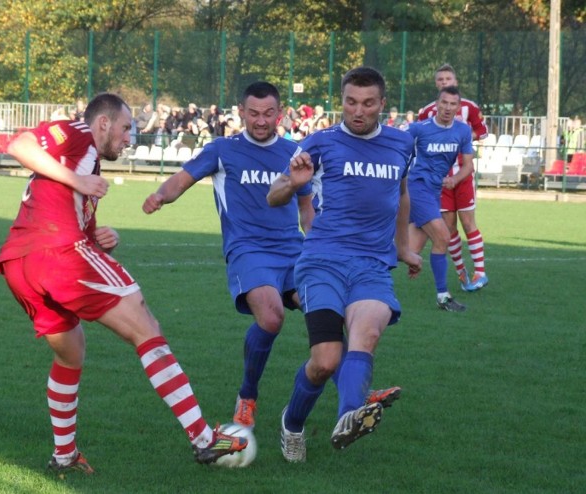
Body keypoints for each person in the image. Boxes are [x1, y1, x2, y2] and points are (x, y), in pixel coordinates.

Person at [0, 92, 246, 475]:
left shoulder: (87, 167)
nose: (130, 138)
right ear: (103, 123)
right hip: (57, 252)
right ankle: (203, 438)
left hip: (21, 265)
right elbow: (19, 143)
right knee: (145, 325)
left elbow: (69, 208)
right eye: (126, 128)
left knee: (70, 352)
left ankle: (64, 455)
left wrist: (98, 236)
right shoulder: (77, 133)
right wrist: (76, 181)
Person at [267, 66, 421, 462]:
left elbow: (401, 197)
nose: (358, 111)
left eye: (368, 103)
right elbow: (274, 196)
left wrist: (403, 248)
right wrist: (293, 184)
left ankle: (349, 416)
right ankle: (292, 423)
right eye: (351, 102)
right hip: (322, 263)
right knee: (325, 361)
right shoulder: (320, 142)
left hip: (372, 265)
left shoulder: (402, 144)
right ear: (342, 100)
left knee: (365, 336)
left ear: (382, 104)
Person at [142, 82, 315, 431]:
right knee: (271, 316)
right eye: (254, 113)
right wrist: (160, 195)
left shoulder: (294, 152)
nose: (261, 120)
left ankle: (348, 404)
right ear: (241, 112)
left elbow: (306, 207)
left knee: (326, 316)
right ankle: (247, 395)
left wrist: (317, 244)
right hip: (248, 249)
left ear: (279, 114)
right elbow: (182, 179)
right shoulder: (222, 149)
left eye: (269, 113)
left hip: (293, 250)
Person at [418, 63, 489, 292]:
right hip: (439, 180)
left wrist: (464, 138)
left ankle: (480, 271)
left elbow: (483, 132)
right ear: (436, 84)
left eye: (448, 78)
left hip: (463, 174)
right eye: (440, 79)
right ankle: (461, 272)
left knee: (468, 222)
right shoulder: (426, 112)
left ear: (455, 82)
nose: (444, 82)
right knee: (448, 228)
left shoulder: (469, 107)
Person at [408, 86, 474, 312]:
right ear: (436, 104)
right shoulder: (419, 129)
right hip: (417, 188)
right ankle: (443, 296)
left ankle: (362, 276)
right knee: (443, 237)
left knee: (408, 251)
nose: (447, 108)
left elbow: (468, 165)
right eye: (444, 102)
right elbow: (396, 149)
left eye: (452, 104)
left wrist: (454, 179)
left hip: (434, 192)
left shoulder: (462, 131)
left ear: (458, 107)